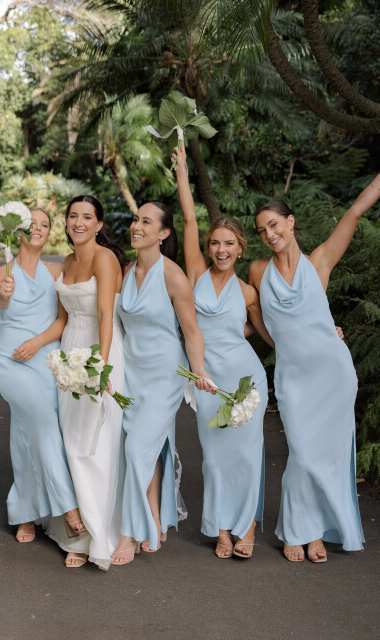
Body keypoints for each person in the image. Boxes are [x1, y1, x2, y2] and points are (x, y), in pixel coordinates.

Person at [248, 175, 380, 562]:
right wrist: (279, 343)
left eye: (274, 224)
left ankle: (314, 533)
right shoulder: (257, 271)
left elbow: (354, 212)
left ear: (290, 222)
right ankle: (296, 529)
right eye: (261, 230)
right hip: (293, 378)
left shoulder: (319, 261)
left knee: (329, 456)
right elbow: (253, 314)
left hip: (332, 374)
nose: (269, 234)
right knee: (303, 455)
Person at [173, 143, 272, 559]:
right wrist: (182, 171)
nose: (221, 250)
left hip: (245, 378)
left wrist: (325, 334)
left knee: (247, 456)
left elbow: (266, 332)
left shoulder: (248, 291)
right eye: (215, 243)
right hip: (207, 378)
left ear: (241, 247)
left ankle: (246, 527)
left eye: (229, 243)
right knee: (214, 459)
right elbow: (189, 217)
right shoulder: (196, 272)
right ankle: (221, 529)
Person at [111, 198, 216, 566]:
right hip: (132, 373)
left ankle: (128, 534)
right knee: (149, 447)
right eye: (136, 219)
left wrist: (199, 370)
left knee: (137, 448)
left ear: (163, 233)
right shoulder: (126, 270)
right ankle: (154, 520)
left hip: (165, 374)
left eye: (147, 222)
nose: (137, 226)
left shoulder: (173, 276)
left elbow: (192, 332)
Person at [0, 208, 83, 547]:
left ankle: (25, 512)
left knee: (25, 431)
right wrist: (5, 293)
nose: (39, 229)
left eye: (46, 225)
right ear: (19, 232)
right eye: (33, 224)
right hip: (11, 361)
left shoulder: (56, 271)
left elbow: (61, 320)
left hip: (47, 360)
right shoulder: (0, 272)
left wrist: (38, 342)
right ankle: (69, 508)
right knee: (42, 423)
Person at [43, 195, 128, 570]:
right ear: (66, 222)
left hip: (99, 350)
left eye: (87, 217)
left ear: (99, 224)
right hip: (69, 350)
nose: (79, 222)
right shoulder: (67, 262)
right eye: (73, 216)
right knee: (71, 439)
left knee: (97, 443)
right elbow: (62, 319)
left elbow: (106, 314)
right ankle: (77, 532)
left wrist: (101, 365)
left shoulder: (105, 258)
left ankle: (97, 533)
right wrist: (36, 344)